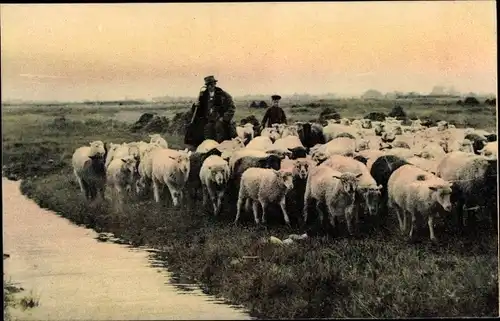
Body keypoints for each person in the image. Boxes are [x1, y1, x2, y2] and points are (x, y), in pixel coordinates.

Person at [184, 75, 237, 148]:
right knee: (205, 133)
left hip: (220, 120)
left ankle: (221, 149)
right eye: (208, 85)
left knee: (220, 131)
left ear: (215, 84)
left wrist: (224, 118)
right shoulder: (203, 95)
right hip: (208, 120)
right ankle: (207, 150)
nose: (210, 86)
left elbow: (232, 107)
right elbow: (197, 110)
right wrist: (195, 105)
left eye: (211, 84)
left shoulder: (223, 95)